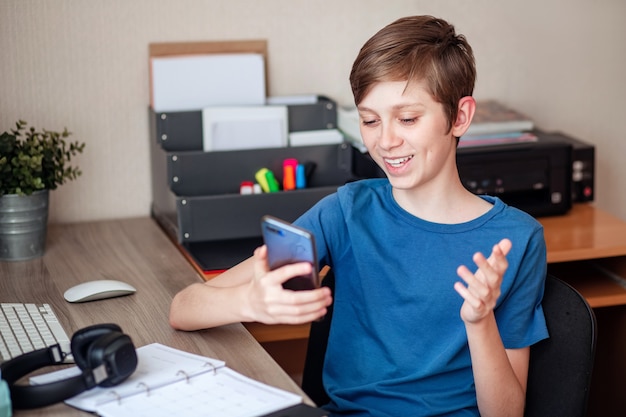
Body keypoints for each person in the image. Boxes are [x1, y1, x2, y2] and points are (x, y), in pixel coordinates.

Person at [169, 15, 548, 417]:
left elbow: (504, 414)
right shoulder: (347, 211)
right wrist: (249, 303)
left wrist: (479, 321)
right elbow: (185, 308)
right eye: (370, 120)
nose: (385, 140)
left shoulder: (516, 240)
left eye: (407, 118)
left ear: (459, 117)